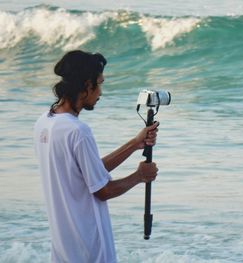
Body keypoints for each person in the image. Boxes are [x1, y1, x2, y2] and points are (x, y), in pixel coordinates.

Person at [34, 50, 159, 263]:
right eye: (99, 84)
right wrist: (139, 176)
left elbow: (86, 173)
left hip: (64, 250)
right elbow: (102, 191)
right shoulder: (78, 131)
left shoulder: (44, 123)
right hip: (90, 250)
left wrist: (134, 144)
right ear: (86, 85)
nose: (100, 92)